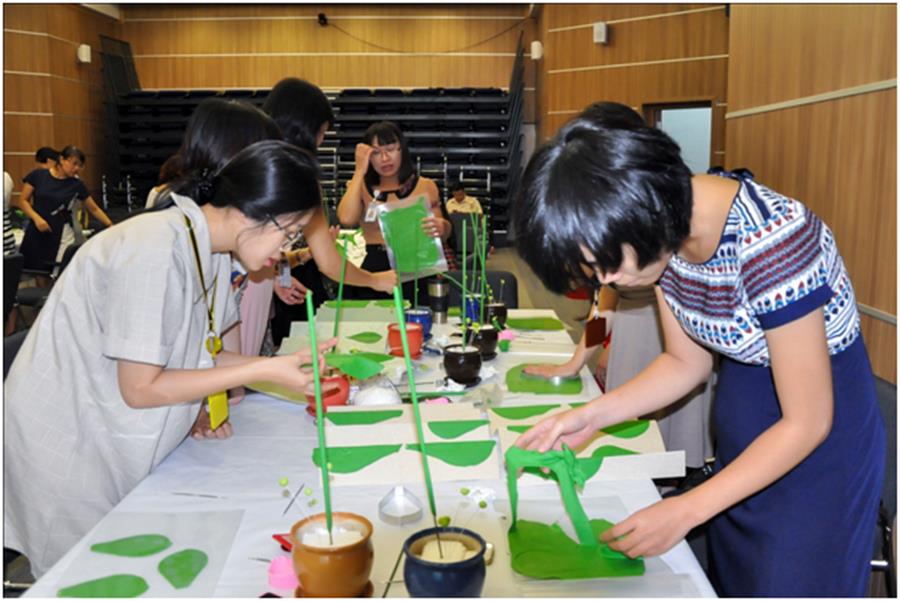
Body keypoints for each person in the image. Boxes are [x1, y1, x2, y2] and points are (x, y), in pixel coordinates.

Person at [512, 103, 885, 597]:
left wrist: (686, 510)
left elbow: (809, 421)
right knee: (736, 581)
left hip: (817, 443)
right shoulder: (665, 234)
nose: (607, 283)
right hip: (747, 425)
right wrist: (593, 415)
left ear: (640, 210)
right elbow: (686, 362)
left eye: (606, 265)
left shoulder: (771, 239)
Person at [4, 140, 336, 578]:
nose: (287, 248)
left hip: (106, 431)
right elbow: (141, 387)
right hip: (70, 447)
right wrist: (263, 368)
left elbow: (200, 354)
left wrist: (282, 365)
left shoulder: (209, 248)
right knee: (90, 577)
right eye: (289, 232)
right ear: (253, 211)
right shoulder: (154, 246)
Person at [523, 102, 715, 472]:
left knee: (674, 430)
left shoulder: (657, 225)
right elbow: (604, 305)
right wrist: (579, 359)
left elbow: (686, 362)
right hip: (632, 328)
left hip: (666, 330)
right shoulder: (614, 261)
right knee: (633, 432)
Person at [264, 78, 398, 346]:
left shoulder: (255, 163)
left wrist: (279, 275)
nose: (321, 140)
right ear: (304, 128)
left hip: (251, 286)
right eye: (321, 131)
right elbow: (329, 262)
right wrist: (374, 280)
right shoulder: (300, 176)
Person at [337, 120, 450, 303]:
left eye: (390, 149)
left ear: (402, 149)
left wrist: (443, 227)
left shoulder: (425, 186)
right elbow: (346, 219)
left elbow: (442, 234)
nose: (384, 158)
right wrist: (359, 171)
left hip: (416, 266)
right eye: (376, 153)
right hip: (375, 268)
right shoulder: (360, 187)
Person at [14, 146, 114, 280]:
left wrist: (110, 224)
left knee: (60, 273)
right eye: (74, 164)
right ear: (61, 159)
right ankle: (43, 299)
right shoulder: (38, 176)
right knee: (37, 271)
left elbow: (94, 208)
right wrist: (37, 219)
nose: (77, 168)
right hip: (37, 228)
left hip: (61, 230)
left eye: (80, 166)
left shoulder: (77, 184)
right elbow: (23, 201)